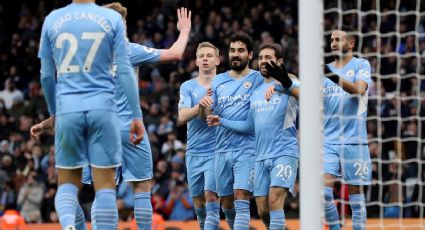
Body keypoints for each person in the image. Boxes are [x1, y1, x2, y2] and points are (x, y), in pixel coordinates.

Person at [33, 3, 191, 229]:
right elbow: (176, 54)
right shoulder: (129, 49)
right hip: (130, 129)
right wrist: (184, 30)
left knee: (102, 189)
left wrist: (49, 122)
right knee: (141, 189)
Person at [37, 0, 144, 229]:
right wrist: (136, 116)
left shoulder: (53, 20)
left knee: (66, 184)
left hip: (69, 111)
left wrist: (54, 116)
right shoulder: (113, 30)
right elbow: (125, 73)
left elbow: (47, 76)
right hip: (102, 113)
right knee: (104, 185)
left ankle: (69, 225)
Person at [207, 43, 299, 230]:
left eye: (269, 58)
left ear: (279, 62)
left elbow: (308, 95)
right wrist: (221, 121)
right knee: (263, 210)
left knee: (275, 200)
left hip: (284, 152)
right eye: (262, 58)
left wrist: (285, 84)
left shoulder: (290, 83)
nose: (264, 61)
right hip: (260, 157)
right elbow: (249, 125)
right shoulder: (255, 93)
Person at [199, 32, 263, 230]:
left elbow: (251, 124)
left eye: (241, 51)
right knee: (226, 203)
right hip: (221, 150)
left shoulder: (258, 79)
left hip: (247, 148)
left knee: (241, 195)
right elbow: (208, 117)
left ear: (250, 55)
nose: (236, 54)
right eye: (233, 50)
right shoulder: (218, 80)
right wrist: (204, 107)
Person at [322, 26, 372, 230]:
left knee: (356, 196)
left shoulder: (361, 64)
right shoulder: (324, 69)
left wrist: (334, 77)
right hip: (328, 140)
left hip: (354, 139)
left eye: (338, 39)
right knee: (322, 192)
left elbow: (359, 89)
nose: (333, 43)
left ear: (351, 43)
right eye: (331, 39)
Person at [178, 42, 221, 230]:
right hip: (194, 151)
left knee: (211, 196)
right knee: (198, 204)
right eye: (201, 56)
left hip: (217, 150)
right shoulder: (187, 86)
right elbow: (182, 116)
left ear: (218, 60)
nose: (205, 58)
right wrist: (200, 106)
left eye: (209, 55)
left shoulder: (225, 85)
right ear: (196, 61)